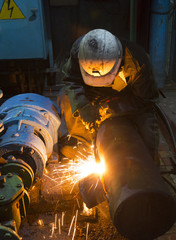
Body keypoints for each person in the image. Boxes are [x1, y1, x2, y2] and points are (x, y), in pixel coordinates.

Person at [57, 29, 160, 163]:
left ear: (119, 60)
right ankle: (85, 145)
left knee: (147, 130)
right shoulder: (80, 51)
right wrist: (83, 107)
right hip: (92, 94)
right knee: (66, 98)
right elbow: (71, 80)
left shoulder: (138, 63)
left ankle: (149, 168)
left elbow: (145, 100)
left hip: (126, 96)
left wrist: (111, 107)